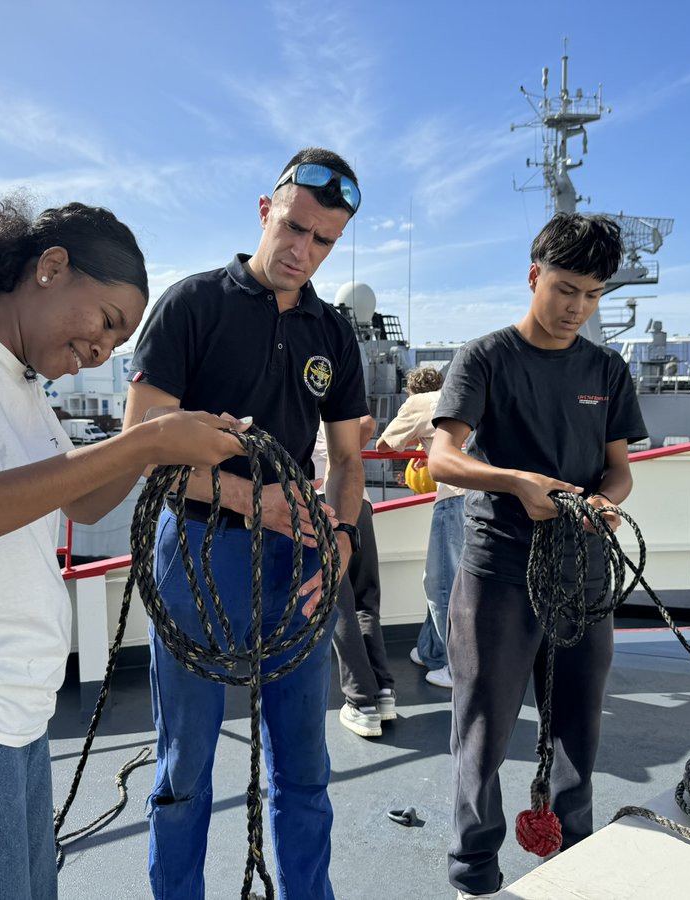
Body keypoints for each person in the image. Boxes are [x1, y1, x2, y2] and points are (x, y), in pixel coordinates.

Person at [0, 198, 246, 900]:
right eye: (107, 323)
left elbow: (83, 500)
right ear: (52, 267)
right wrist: (146, 442)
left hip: (8, 718)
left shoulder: (21, 381)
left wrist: (163, 447)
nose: (102, 351)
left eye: (118, 346)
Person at [124, 148, 367, 899]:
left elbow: (350, 460)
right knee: (184, 768)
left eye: (324, 241)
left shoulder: (333, 330)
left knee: (304, 768)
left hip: (300, 562)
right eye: (295, 228)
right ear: (266, 210)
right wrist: (249, 499)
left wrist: (343, 545)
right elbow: (143, 444)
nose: (303, 251)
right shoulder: (192, 304)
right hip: (196, 553)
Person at [428, 212, 648, 898]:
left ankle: (574, 858)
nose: (576, 307)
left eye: (592, 294)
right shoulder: (485, 358)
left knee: (578, 727)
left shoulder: (606, 369)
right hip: (498, 574)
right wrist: (515, 483)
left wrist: (606, 503)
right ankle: (474, 871)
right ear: (534, 277)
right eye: (564, 288)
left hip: (582, 576)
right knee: (484, 729)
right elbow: (441, 459)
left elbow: (619, 470)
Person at [376, 365, 467, 690]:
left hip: (454, 498)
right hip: (483, 497)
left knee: (441, 584)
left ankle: (457, 668)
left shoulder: (420, 402)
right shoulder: (459, 396)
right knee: (448, 579)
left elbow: (386, 444)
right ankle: (430, 649)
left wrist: (415, 436)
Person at [313, 416, 396, 738]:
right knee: (365, 600)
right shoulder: (335, 413)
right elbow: (367, 422)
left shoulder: (299, 410)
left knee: (339, 605)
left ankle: (362, 703)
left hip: (322, 504)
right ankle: (384, 691)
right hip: (357, 500)